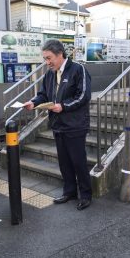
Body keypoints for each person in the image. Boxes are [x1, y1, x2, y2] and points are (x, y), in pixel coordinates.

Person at [24, 39, 92, 210]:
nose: (47, 63)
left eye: (49, 58)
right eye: (45, 59)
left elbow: (83, 95)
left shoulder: (78, 69)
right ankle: (69, 191)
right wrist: (33, 102)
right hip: (58, 124)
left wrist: (63, 106)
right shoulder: (49, 74)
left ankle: (85, 195)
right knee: (64, 162)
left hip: (75, 125)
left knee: (78, 161)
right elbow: (43, 95)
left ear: (60, 54)